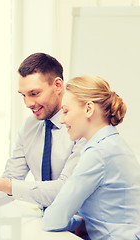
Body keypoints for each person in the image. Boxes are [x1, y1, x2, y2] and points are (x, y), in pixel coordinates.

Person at [0, 53, 86, 208]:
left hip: (79, 227)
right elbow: (13, 179)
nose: (28, 103)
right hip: (47, 222)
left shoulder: (82, 126)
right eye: (23, 95)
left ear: (57, 85)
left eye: (34, 94)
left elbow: (65, 190)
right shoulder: (30, 126)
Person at [43, 75, 140, 239]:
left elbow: (53, 220)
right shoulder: (113, 144)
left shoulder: (98, 153)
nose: (61, 120)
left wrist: (79, 222)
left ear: (89, 109)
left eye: (66, 111)